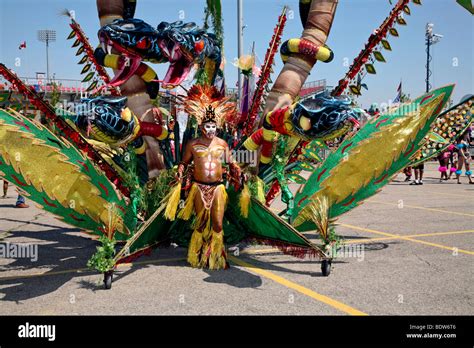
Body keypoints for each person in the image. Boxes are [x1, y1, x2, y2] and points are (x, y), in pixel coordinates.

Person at [166, 85, 241, 270]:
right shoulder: (193, 144)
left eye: (213, 126)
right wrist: (180, 171)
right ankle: (198, 255)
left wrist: (238, 170)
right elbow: (184, 162)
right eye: (207, 126)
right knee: (199, 223)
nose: (210, 129)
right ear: (201, 127)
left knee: (217, 223)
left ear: (217, 126)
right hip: (198, 187)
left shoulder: (222, 144)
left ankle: (216, 257)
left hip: (217, 188)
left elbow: (231, 163)